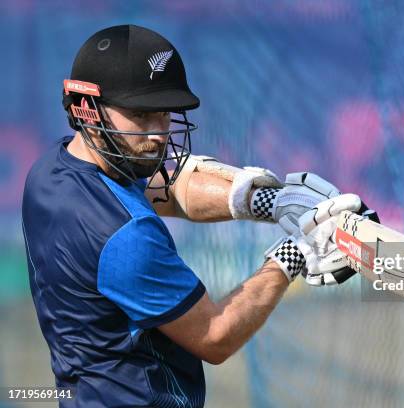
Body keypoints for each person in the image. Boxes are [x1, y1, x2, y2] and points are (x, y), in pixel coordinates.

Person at [21, 25, 364, 407]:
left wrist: (268, 202)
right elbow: (216, 335)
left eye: (164, 113)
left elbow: (166, 190)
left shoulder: (50, 172)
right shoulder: (126, 238)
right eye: (140, 114)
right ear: (88, 109)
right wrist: (296, 251)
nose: (157, 134)